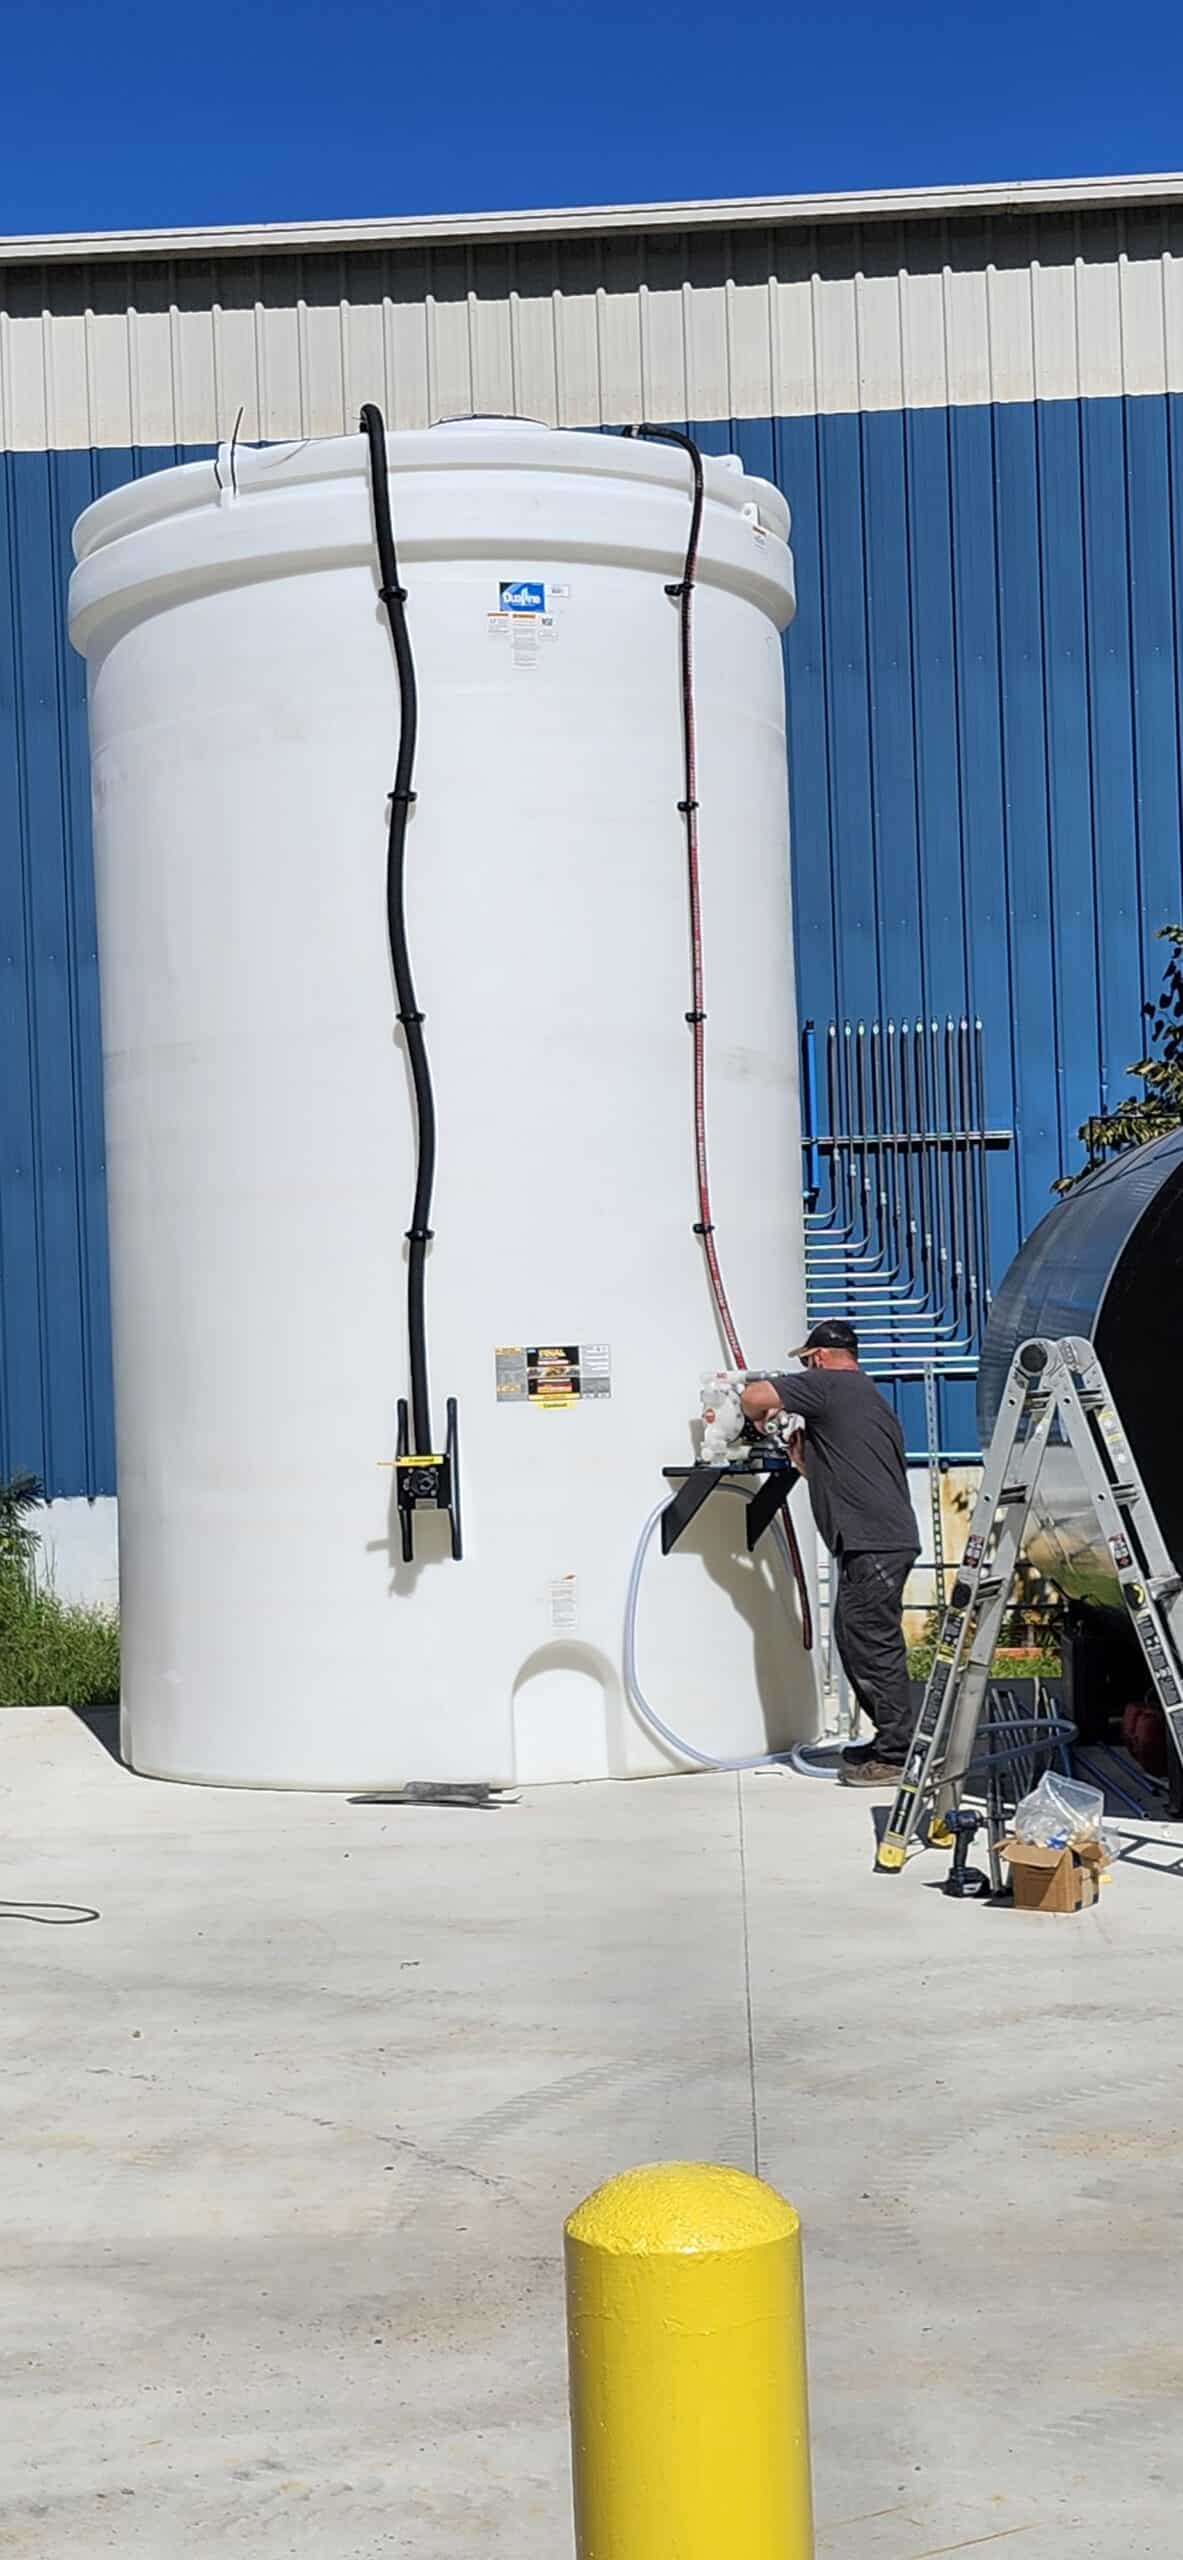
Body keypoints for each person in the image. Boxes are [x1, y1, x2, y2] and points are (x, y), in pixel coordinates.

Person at [741, 1319, 920, 1787]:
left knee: (872, 1647)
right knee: (855, 1639)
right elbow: (848, 1467)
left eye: (805, 1362)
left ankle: (898, 1754)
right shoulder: (862, 1394)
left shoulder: (828, 1384)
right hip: (878, 1540)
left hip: (873, 1542)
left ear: (818, 1357)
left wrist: (757, 1419)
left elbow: (753, 1396)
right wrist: (805, 1462)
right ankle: (889, 1741)